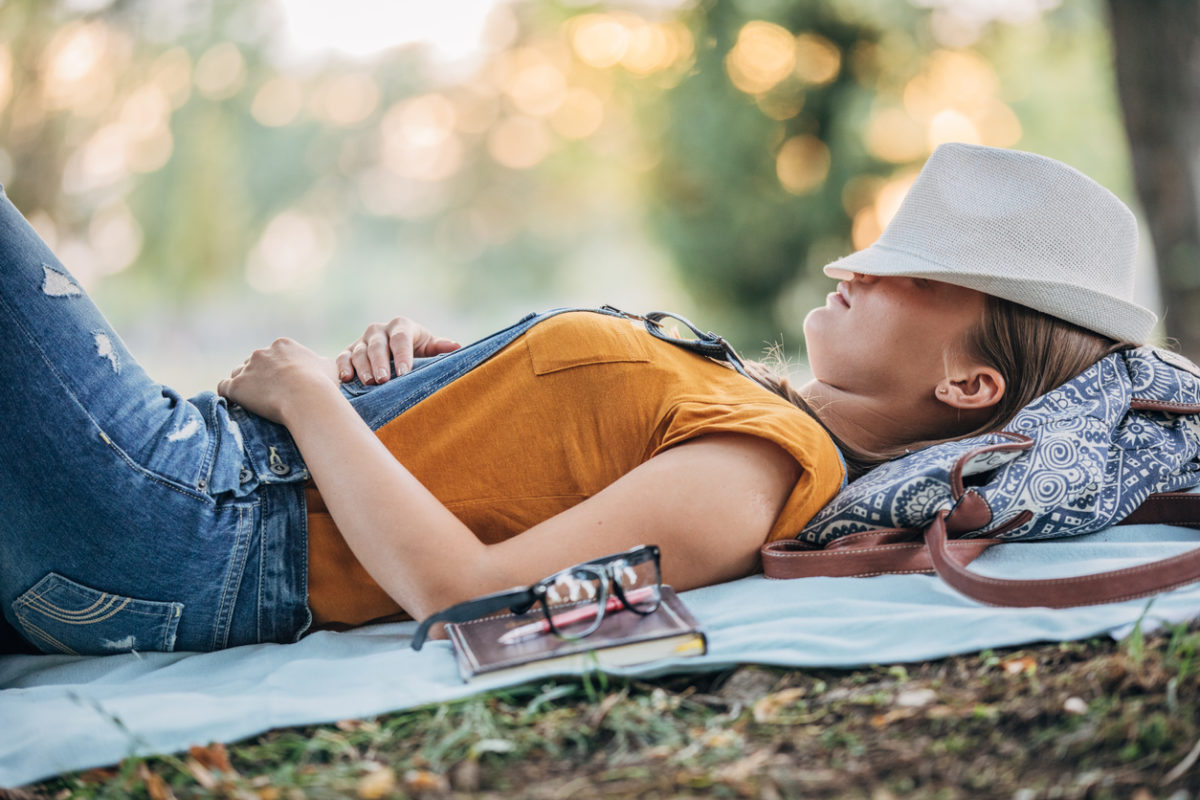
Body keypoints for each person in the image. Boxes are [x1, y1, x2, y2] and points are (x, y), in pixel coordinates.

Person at [0, 143, 1153, 655]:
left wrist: (310, 402)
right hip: (193, 491)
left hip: (186, 519)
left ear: (971, 381)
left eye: (919, 271)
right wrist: (420, 380)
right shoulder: (746, 395)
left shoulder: (751, 475)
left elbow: (468, 601)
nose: (856, 264)